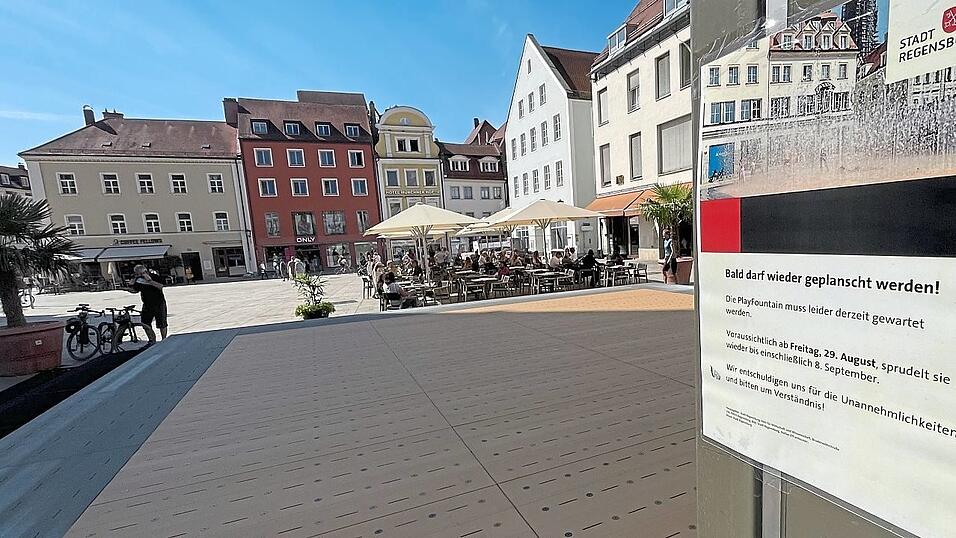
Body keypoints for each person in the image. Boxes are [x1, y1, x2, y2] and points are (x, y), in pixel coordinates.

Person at [128, 264, 168, 339]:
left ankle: (164, 339)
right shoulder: (138, 280)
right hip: (147, 303)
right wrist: (130, 286)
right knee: (145, 323)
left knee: (162, 323)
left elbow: (160, 286)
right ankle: (152, 339)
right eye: (137, 274)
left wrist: (149, 281)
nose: (139, 275)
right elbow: (135, 290)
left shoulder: (154, 276)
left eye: (140, 273)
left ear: (145, 271)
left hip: (159, 303)